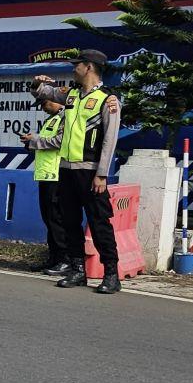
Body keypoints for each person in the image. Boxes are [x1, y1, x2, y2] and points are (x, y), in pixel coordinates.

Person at [34, 49, 124, 294]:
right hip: (66, 169)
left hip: (91, 171)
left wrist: (102, 174)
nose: (73, 69)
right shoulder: (72, 95)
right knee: (70, 221)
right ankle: (77, 270)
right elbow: (45, 92)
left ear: (89, 67)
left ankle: (111, 275)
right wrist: (37, 82)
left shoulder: (108, 100)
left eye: (77, 65)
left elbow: (110, 141)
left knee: (99, 223)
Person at [20, 95, 72, 276]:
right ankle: (54, 258)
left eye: (45, 103)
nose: (43, 107)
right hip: (45, 175)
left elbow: (60, 142)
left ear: (58, 100)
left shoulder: (67, 117)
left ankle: (65, 260)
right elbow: (44, 143)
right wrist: (30, 142)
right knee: (49, 219)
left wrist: (35, 140)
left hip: (58, 175)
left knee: (57, 219)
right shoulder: (52, 119)